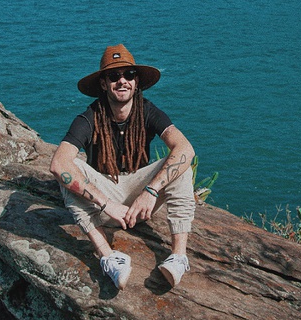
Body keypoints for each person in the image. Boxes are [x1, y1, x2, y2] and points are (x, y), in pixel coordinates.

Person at [49, 44, 197, 291]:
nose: (122, 81)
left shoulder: (147, 111)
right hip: (103, 205)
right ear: (103, 83)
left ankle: (178, 257)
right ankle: (108, 257)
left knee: (180, 164)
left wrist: (150, 191)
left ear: (136, 82)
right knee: (68, 171)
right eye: (113, 76)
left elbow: (185, 149)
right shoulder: (89, 117)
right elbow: (58, 163)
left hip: (141, 203)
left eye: (129, 74)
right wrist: (107, 203)